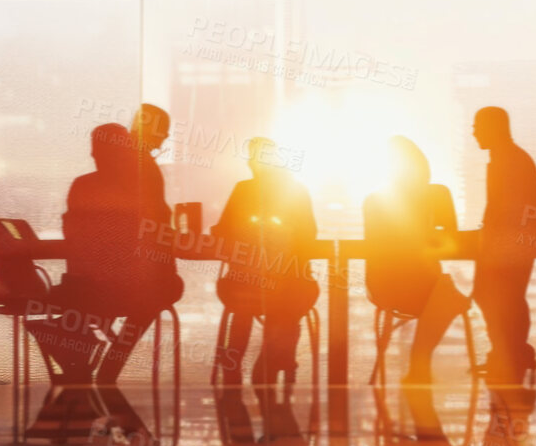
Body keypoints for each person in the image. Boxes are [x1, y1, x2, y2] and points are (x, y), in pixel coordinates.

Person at [29, 123, 184, 383]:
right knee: (163, 289)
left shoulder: (82, 186)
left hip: (86, 289)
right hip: (123, 289)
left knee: (88, 298)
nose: (92, 156)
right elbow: (158, 232)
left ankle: (83, 362)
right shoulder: (141, 187)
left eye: (97, 151)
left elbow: (72, 234)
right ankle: (107, 367)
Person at [211, 138, 320, 386]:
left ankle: (233, 364)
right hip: (293, 287)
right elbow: (309, 235)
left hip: (243, 286)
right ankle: (277, 358)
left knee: (243, 307)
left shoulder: (244, 190)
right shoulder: (296, 190)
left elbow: (223, 231)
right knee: (283, 303)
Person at [363, 136, 470, 384]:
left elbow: (376, 245)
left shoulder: (376, 199)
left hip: (388, 285)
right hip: (415, 285)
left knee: (446, 293)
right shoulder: (435, 195)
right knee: (449, 296)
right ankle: (419, 364)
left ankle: (419, 366)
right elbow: (451, 239)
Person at [471, 107, 536, 384]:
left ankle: (511, 353)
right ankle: (512, 352)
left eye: (477, 126)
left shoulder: (509, 159)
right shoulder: (509, 157)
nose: (473, 132)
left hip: (510, 243)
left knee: (501, 297)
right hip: (514, 241)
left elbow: (506, 206)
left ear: (493, 127)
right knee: (502, 297)